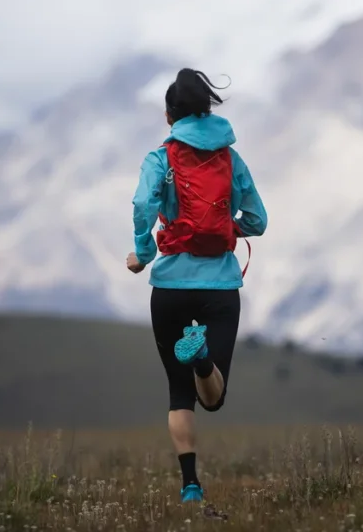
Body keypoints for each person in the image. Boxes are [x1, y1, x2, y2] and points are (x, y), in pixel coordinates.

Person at [126, 68, 268, 504]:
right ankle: (203, 359)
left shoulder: (159, 158)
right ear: (207, 112)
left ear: (170, 117)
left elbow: (142, 205)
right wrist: (229, 226)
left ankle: (190, 486)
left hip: (170, 288)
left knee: (178, 392)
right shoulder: (231, 159)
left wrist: (144, 253)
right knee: (213, 395)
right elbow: (259, 222)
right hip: (219, 288)